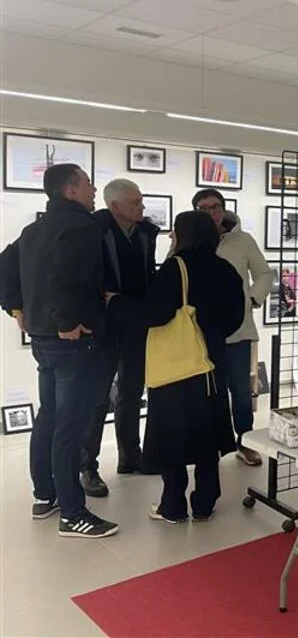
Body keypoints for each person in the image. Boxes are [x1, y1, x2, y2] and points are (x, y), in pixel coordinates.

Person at [0, 164, 119, 538]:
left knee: (50, 417)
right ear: (71, 190)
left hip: (43, 339)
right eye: (88, 184)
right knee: (70, 425)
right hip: (72, 341)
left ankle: (45, 496)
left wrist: (16, 308)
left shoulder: (34, 229)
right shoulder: (82, 226)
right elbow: (66, 276)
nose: (94, 189)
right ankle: (72, 513)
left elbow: (4, 266)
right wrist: (67, 321)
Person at [142, 211, 245, 523]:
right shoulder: (225, 268)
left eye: (175, 232)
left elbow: (156, 313)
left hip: (177, 366)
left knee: (171, 436)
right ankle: (204, 503)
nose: (171, 237)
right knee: (207, 436)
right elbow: (236, 316)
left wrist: (116, 304)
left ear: (183, 234)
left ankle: (172, 506)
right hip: (212, 361)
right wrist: (211, 334)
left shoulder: (176, 267)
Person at [78, 179, 160, 497]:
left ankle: (130, 456)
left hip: (136, 324)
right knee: (98, 398)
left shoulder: (145, 233)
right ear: (115, 206)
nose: (141, 207)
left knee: (131, 392)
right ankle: (87, 467)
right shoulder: (93, 230)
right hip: (103, 327)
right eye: (135, 202)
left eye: (141, 201)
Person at [191, 189, 272, 467]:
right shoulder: (189, 239)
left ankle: (245, 442)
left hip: (238, 329)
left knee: (240, 391)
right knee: (208, 391)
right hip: (200, 331)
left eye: (216, 206)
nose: (211, 212)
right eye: (204, 208)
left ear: (224, 208)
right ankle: (211, 444)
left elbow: (264, 273)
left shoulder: (243, 240)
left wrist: (251, 300)